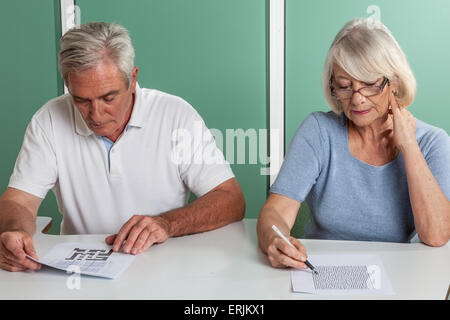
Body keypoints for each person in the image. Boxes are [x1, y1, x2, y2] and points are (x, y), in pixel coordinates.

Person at [0, 22, 245, 272]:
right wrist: (14, 231)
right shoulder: (49, 119)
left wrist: (167, 223)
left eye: (108, 98)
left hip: (164, 268)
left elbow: (231, 199)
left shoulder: (176, 115)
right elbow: (19, 202)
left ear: (133, 78)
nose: (95, 114)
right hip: (80, 271)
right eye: (81, 100)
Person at [257, 18, 450, 270]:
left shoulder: (432, 142)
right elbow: (276, 212)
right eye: (345, 86)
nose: (357, 99)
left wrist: (409, 146)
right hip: (322, 274)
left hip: (399, 277)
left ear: (395, 83)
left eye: (369, 85)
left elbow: (436, 235)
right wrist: (274, 239)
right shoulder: (319, 131)